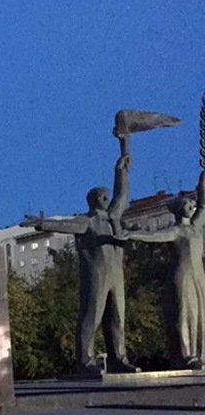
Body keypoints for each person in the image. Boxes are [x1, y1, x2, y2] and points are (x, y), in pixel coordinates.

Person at [31, 138, 139, 376]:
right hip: (96, 275)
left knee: (118, 317)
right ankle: (85, 361)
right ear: (92, 200)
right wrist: (42, 223)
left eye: (106, 196)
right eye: (101, 196)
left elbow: (122, 194)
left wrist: (121, 171)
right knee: (92, 316)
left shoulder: (113, 217)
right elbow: (65, 225)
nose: (106, 199)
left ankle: (119, 358)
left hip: (116, 276)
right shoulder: (87, 221)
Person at [122, 171, 205, 369]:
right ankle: (186, 355)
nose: (191, 206)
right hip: (183, 275)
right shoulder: (175, 231)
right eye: (186, 204)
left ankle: (200, 353)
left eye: (191, 204)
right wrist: (131, 235)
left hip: (199, 275)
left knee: (201, 314)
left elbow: (203, 203)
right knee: (184, 313)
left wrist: (203, 177)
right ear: (178, 210)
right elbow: (153, 236)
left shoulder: (196, 227)